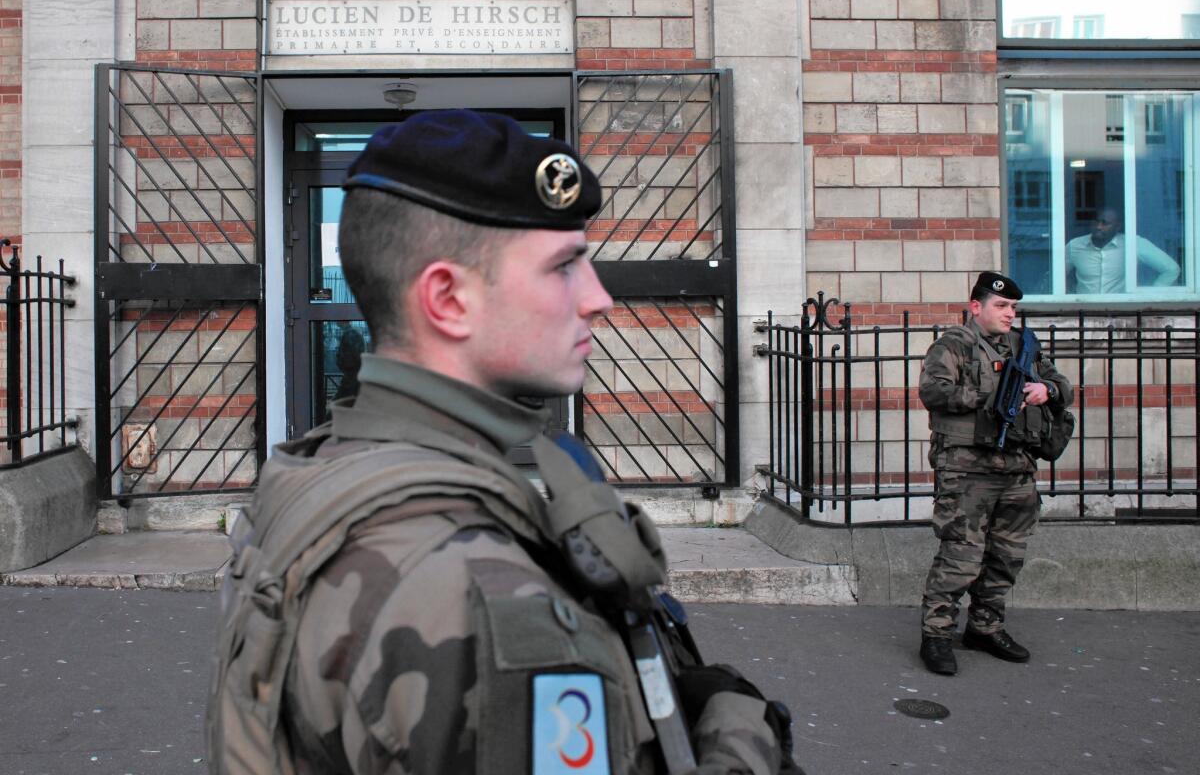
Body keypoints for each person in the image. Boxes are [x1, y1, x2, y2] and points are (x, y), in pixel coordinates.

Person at [208, 110, 797, 774]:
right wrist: (740, 735)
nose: (599, 298)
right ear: (449, 300)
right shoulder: (491, 605)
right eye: (564, 267)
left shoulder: (316, 472)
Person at [916, 272, 1074, 676]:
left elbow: (1062, 385)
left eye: (1013, 308)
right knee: (961, 555)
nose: (1009, 314)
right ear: (976, 307)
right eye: (1001, 306)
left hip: (1017, 466)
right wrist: (991, 397)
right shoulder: (953, 345)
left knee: (1006, 555)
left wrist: (1045, 391)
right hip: (967, 469)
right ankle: (936, 634)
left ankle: (985, 627)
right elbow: (933, 392)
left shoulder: (1025, 347)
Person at [1066, 207, 1181, 294]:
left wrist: (1152, 296)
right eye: (1096, 221)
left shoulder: (1132, 243)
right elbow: (1057, 276)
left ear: (1117, 226)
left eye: (1105, 223)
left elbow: (1171, 269)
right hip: (1083, 313)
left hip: (1121, 313)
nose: (1099, 227)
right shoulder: (1075, 245)